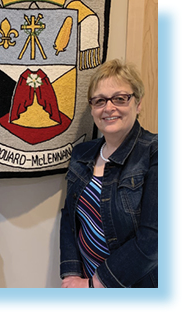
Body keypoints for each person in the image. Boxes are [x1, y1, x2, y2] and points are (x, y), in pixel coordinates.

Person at [60, 59, 158, 288]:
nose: (109, 107)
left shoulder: (157, 152)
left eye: (120, 98)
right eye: (100, 100)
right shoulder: (81, 154)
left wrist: (96, 283)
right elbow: (69, 219)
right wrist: (71, 273)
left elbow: (154, 239)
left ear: (139, 103)